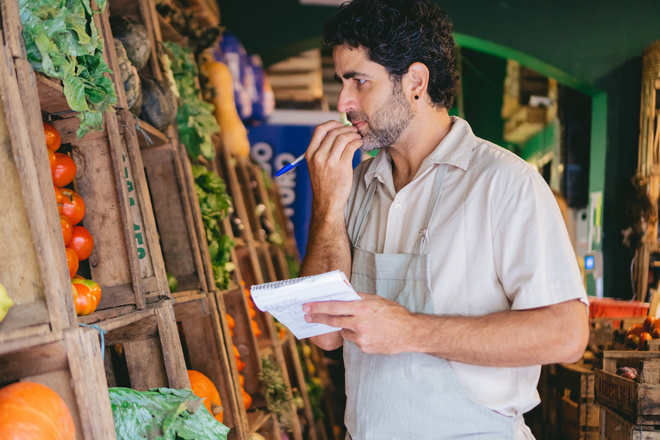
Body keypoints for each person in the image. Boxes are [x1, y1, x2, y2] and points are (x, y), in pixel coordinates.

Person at [298, 0, 590, 438]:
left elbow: (566, 334)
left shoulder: (505, 183)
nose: (343, 102)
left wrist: (412, 331)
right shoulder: (354, 184)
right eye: (342, 82)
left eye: (359, 81)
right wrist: (326, 203)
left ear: (415, 81)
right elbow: (323, 334)